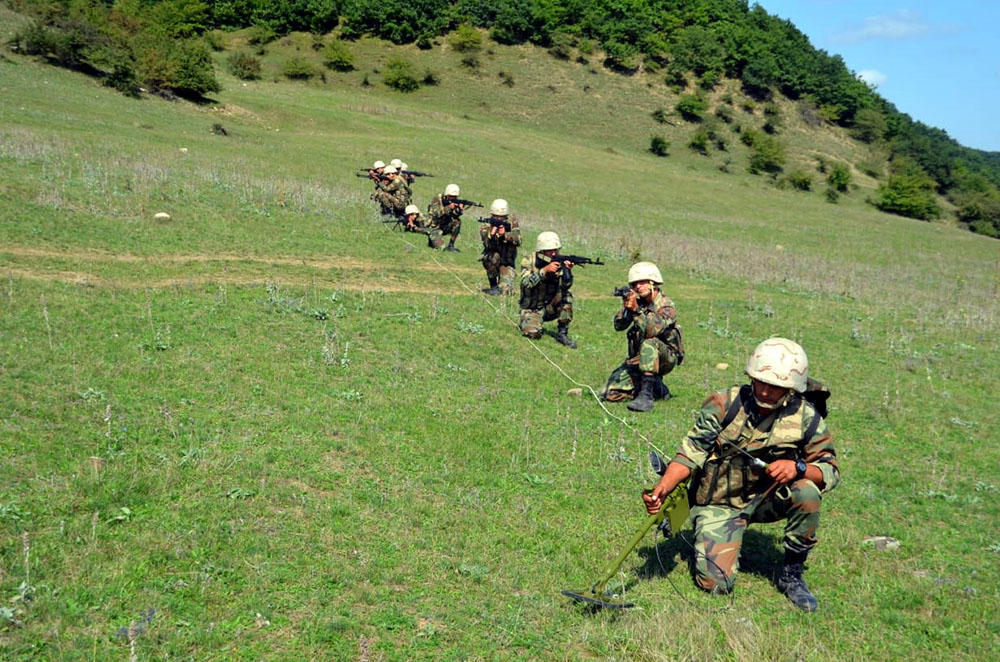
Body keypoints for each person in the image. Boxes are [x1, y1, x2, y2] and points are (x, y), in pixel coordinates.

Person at [642, 337, 839, 612]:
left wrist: (798, 468)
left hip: (766, 500)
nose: (767, 391)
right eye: (761, 381)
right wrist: (663, 488)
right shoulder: (724, 404)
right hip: (719, 501)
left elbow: (830, 468)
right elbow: (690, 452)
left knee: (807, 492)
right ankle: (711, 533)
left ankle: (792, 575)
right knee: (716, 584)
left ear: (791, 389)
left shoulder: (806, 417)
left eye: (777, 387)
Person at [604, 262, 683, 411]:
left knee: (649, 342)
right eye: (634, 284)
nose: (637, 286)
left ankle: (646, 396)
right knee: (611, 393)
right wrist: (627, 309)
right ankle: (656, 388)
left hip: (665, 357)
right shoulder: (638, 302)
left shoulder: (666, 306)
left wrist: (636, 311)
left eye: (642, 282)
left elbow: (651, 331)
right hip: (640, 359)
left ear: (653, 282)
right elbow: (618, 326)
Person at [519, 231, 576, 348]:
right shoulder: (529, 260)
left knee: (566, 296)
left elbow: (566, 286)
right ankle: (531, 323)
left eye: (556, 249)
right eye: (550, 250)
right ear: (541, 250)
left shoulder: (558, 263)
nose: (554, 253)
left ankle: (562, 333)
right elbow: (526, 283)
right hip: (532, 308)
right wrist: (543, 271)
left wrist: (567, 271)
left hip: (550, 307)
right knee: (532, 334)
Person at [479, 199, 521, 295]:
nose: (498, 219)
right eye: (495, 217)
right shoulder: (486, 225)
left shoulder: (512, 223)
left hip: (507, 262)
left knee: (506, 291)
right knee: (491, 257)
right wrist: (491, 234)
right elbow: (486, 244)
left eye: (501, 217)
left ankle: (502, 283)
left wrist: (505, 235)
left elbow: (519, 240)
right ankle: (493, 286)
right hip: (493, 259)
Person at [426, 183, 467, 252]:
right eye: (451, 196)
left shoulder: (453, 202)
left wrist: (459, 210)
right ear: (447, 195)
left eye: (455, 197)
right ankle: (432, 241)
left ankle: (451, 245)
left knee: (457, 221)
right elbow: (437, 214)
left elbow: (454, 215)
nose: (453, 198)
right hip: (434, 228)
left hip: (444, 225)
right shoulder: (437, 199)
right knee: (441, 248)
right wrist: (449, 207)